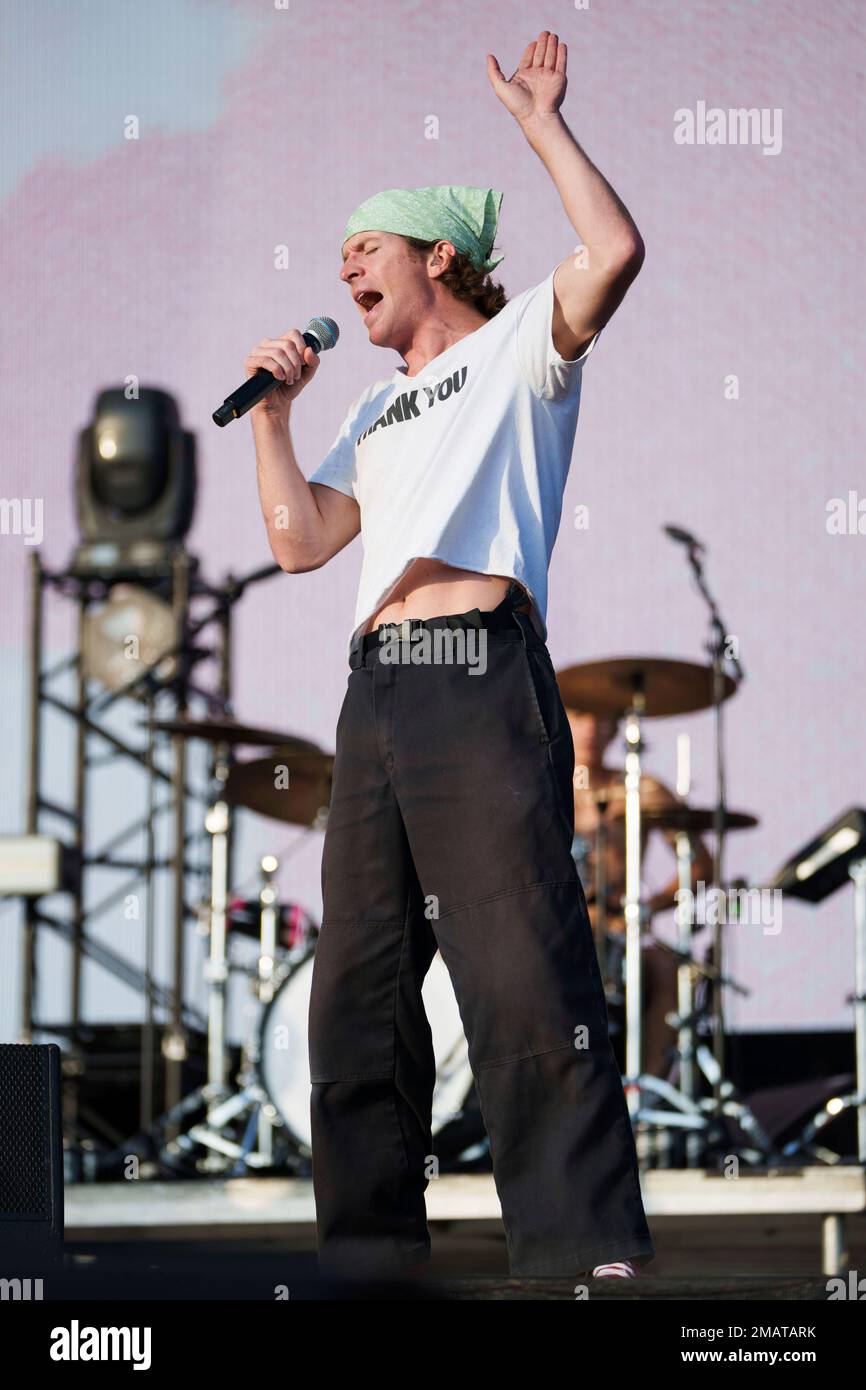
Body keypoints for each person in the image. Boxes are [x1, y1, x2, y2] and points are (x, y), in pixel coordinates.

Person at [249, 31, 653, 1281]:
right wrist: (272, 414)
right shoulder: (368, 408)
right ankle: (368, 1253)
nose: (343, 267)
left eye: (364, 247)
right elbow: (299, 542)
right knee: (354, 991)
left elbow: (616, 252)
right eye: (337, 257)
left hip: (476, 674)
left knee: (517, 959)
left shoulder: (518, 343)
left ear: (436, 256)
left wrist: (538, 123)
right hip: (373, 698)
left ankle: (582, 1249)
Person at [567, 709, 714, 1079]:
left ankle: (646, 1102)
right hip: (552, 929)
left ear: (617, 727)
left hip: (618, 931)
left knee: (669, 969)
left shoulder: (640, 789)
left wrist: (647, 908)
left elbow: (699, 866)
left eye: (601, 719)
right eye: (580, 716)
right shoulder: (536, 784)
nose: (591, 728)